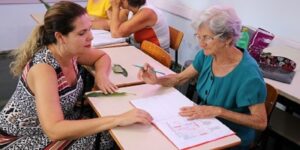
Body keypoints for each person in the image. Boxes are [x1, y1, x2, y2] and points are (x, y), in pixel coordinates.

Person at [0, 1, 152, 149]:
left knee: (113, 131)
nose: (91, 37)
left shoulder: (71, 52)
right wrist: (118, 119)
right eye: (82, 33)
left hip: (59, 122)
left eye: (89, 29)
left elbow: (102, 57)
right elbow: (54, 130)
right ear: (60, 37)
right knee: (110, 135)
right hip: (22, 137)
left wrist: (101, 76)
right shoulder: (44, 69)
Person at [138, 5, 267, 149]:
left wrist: (219, 111)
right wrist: (156, 80)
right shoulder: (207, 55)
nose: (200, 43)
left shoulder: (248, 74)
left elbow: (260, 122)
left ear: (228, 39)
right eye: (198, 36)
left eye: (207, 38)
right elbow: (179, 78)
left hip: (231, 138)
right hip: (205, 124)